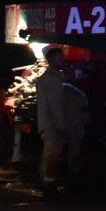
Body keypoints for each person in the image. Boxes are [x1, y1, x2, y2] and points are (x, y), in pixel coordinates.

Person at [36, 48, 68, 191]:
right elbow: (56, 105)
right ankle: (49, 186)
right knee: (53, 155)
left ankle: (44, 182)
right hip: (52, 124)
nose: (63, 61)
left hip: (47, 123)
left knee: (48, 154)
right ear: (52, 60)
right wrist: (62, 126)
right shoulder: (53, 79)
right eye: (60, 58)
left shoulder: (48, 77)